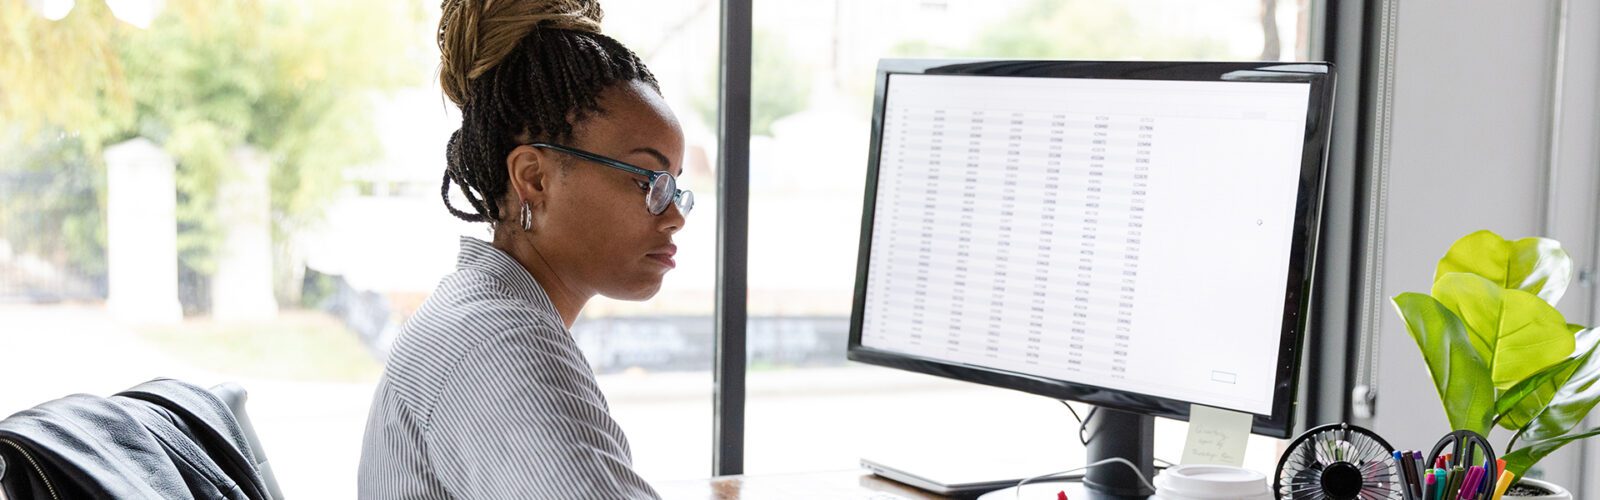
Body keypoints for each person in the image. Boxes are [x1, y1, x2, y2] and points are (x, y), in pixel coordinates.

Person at [358, 0, 690, 497]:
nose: (675, 214)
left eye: (675, 186)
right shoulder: (499, 344)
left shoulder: (481, 313)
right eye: (648, 180)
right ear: (534, 177)